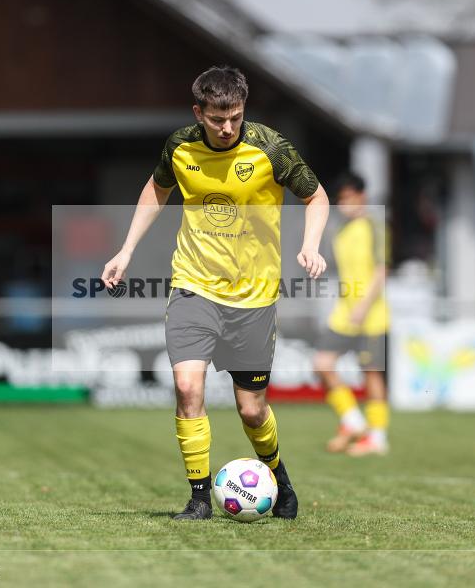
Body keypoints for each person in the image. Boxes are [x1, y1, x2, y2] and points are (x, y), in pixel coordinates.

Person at [101, 66, 329, 520]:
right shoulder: (180, 146)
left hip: (254, 298)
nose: (227, 128)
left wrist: (310, 245)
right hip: (193, 286)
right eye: (217, 119)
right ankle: (199, 498)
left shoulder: (270, 148)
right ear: (198, 112)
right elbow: (156, 190)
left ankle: (280, 480)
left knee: (251, 410)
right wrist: (126, 250)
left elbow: (316, 197)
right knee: (188, 387)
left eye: (235, 117)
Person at [313, 173, 390, 456]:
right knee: (322, 363)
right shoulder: (340, 231)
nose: (344, 204)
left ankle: (377, 439)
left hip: (371, 314)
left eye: (348, 197)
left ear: (362, 196)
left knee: (371, 374)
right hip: (344, 312)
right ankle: (353, 421)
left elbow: (381, 271)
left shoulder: (375, 226)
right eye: (340, 199)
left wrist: (363, 306)